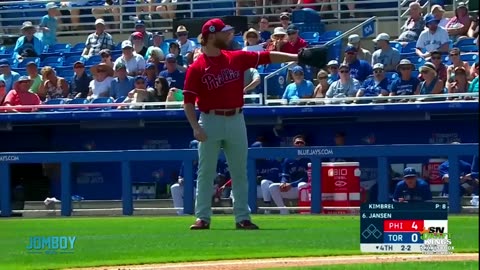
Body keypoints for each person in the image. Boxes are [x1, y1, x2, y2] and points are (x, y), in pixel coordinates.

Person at [183, 18, 299, 230]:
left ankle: (242, 217)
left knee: (239, 171)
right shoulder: (197, 67)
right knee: (206, 171)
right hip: (209, 119)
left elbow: (267, 56)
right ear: (210, 36)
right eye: (223, 32)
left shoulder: (235, 57)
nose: (228, 35)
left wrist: (296, 56)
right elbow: (188, 102)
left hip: (236, 118)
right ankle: (203, 217)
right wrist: (195, 127)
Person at [268, 135, 310, 214]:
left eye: (301, 143)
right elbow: (285, 175)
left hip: (305, 189)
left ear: (304, 145)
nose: (299, 144)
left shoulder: (309, 159)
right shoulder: (288, 160)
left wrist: (291, 184)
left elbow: (306, 177)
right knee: (273, 187)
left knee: (302, 184)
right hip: (292, 188)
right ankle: (283, 210)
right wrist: (283, 182)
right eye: (297, 143)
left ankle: (305, 211)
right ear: (294, 144)